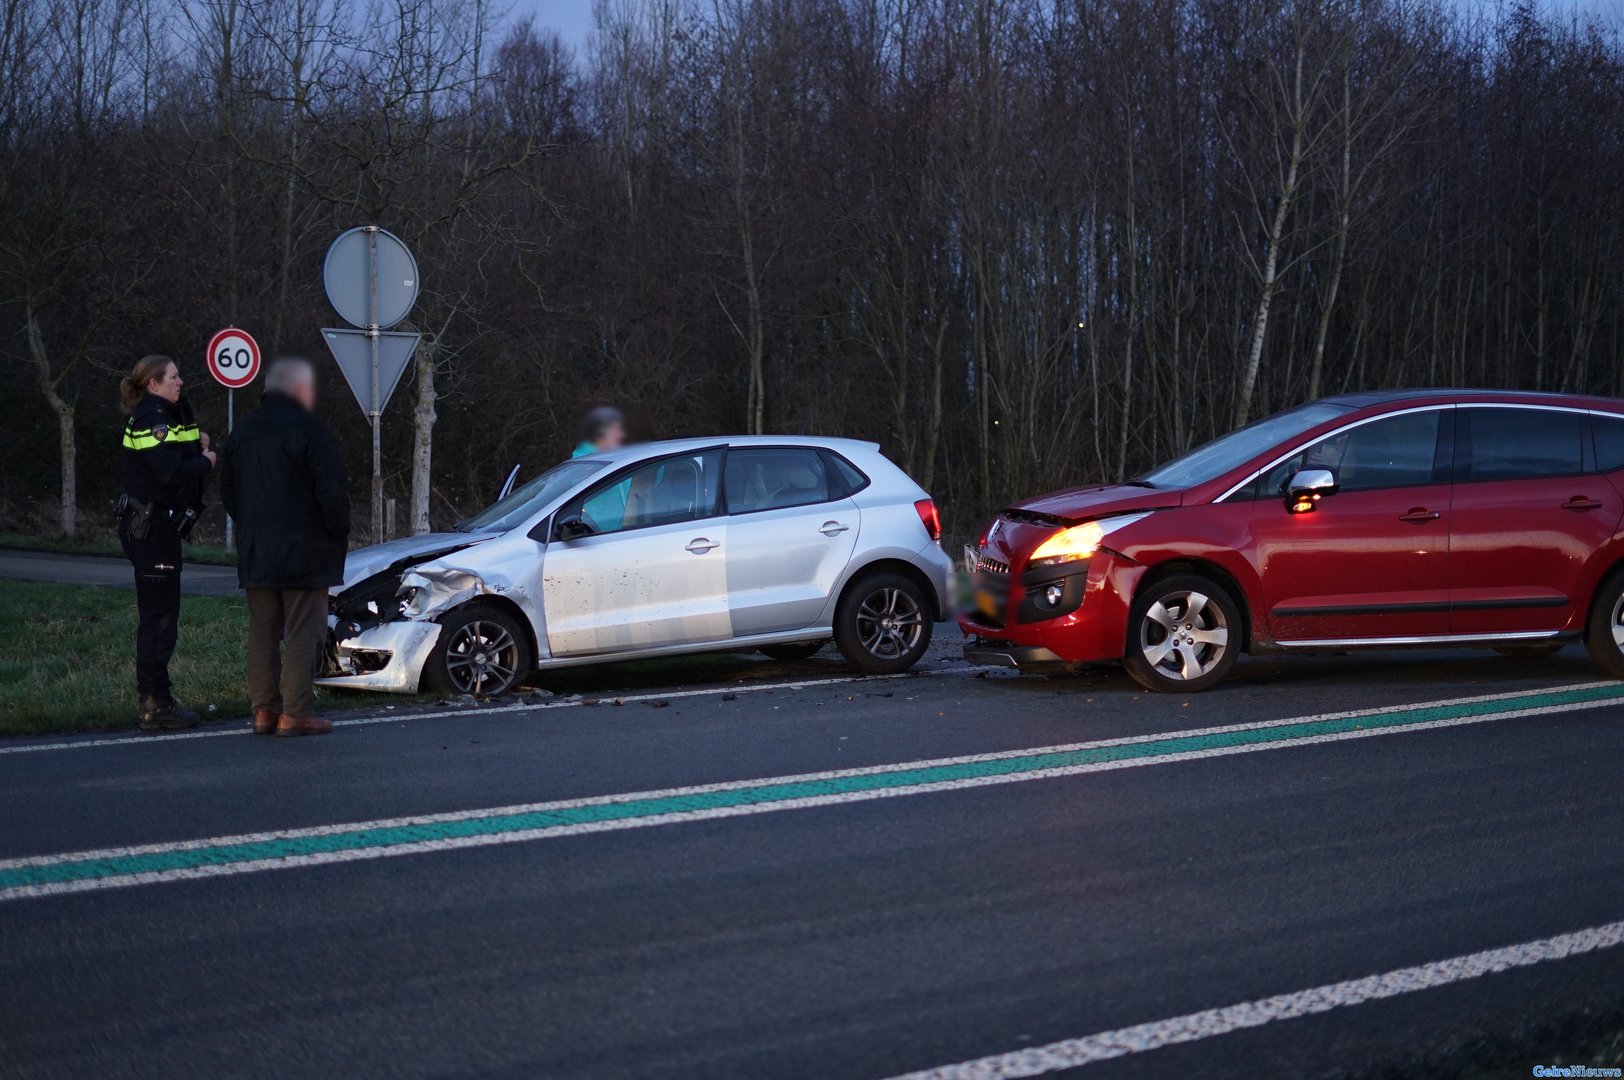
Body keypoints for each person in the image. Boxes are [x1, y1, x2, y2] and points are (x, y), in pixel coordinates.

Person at [220, 358, 350, 738]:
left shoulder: (242, 431)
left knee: (262, 631)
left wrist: (250, 527)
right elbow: (333, 493)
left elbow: (227, 491)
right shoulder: (311, 429)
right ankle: (295, 713)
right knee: (301, 633)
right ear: (298, 389)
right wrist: (335, 534)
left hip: (257, 550)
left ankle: (263, 711)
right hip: (305, 550)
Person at [119, 355, 216, 731]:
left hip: (157, 529)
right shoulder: (152, 420)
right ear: (154, 384)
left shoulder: (162, 414)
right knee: (159, 621)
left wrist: (198, 445)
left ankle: (157, 699)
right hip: (151, 530)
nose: (181, 382)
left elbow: (177, 452)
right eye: (174, 377)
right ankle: (155, 703)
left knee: (162, 617)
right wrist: (207, 461)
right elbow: (171, 472)